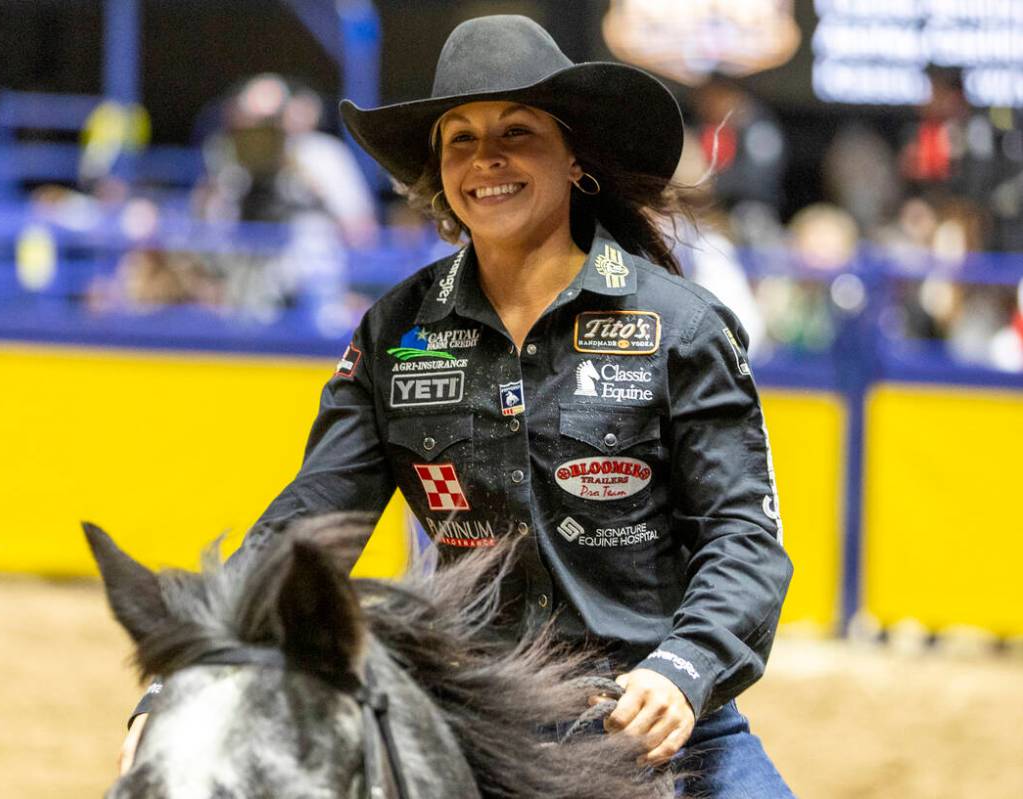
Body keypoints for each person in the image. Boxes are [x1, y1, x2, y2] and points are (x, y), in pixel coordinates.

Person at [121, 15, 793, 797]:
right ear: (439, 172)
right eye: (461, 140)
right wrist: (179, 676)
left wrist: (684, 669)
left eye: (517, 132)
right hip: (477, 724)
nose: (487, 160)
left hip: (662, 728)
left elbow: (743, 538)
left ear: (574, 157)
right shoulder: (394, 334)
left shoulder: (681, 326)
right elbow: (306, 523)